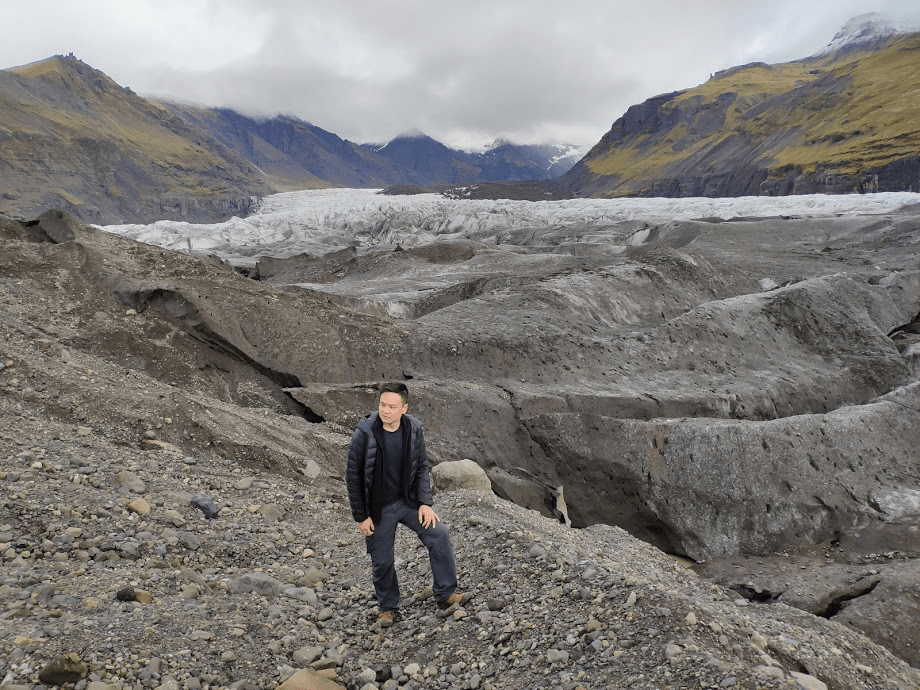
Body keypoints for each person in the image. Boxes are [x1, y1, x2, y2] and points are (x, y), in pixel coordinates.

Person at [345, 381, 468, 627]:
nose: (386, 410)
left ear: (404, 408)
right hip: (378, 508)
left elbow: (422, 467)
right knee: (382, 560)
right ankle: (388, 608)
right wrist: (361, 516)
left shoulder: (413, 428)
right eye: (382, 404)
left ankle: (445, 593)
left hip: (408, 501)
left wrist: (424, 502)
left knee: (439, 533)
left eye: (392, 406)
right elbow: (353, 476)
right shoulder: (365, 432)